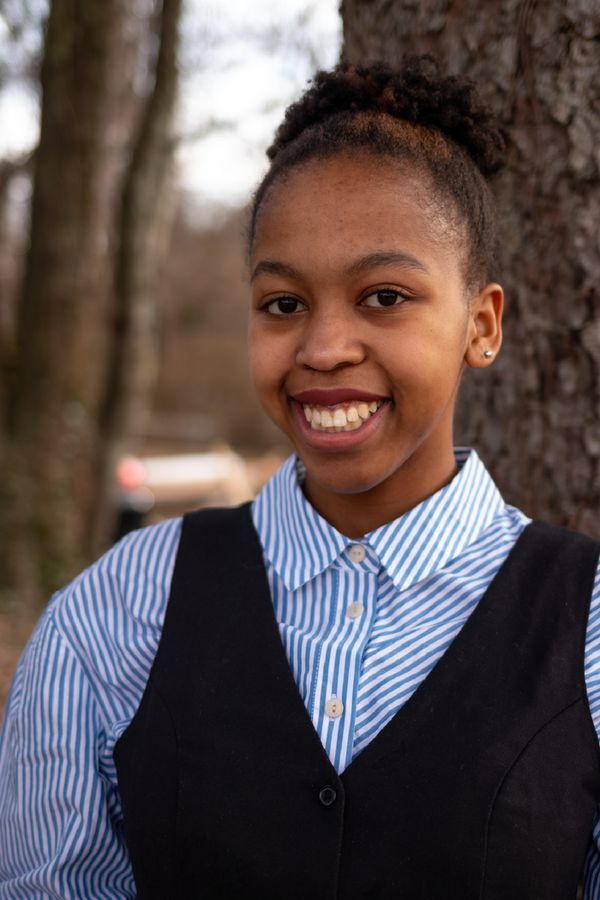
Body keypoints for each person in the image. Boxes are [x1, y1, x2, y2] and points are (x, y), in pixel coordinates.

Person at [1, 56, 599, 899]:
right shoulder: (113, 620)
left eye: (384, 296)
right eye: (283, 304)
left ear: (483, 324)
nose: (323, 348)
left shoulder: (589, 633)